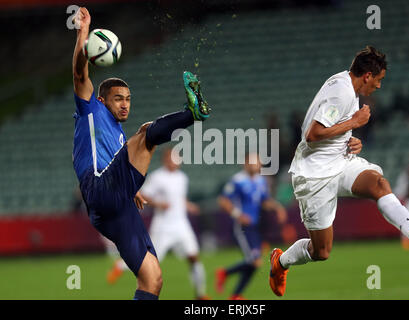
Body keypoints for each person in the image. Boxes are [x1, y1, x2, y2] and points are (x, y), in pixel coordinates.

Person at [269, 46, 409, 297]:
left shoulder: (348, 88)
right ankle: (280, 262)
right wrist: (354, 122)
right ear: (367, 76)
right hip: (314, 176)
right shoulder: (342, 92)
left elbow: (331, 129)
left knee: (379, 184)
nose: (379, 86)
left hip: (340, 162)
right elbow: (313, 135)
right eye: (379, 80)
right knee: (322, 252)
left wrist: (351, 140)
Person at [71, 7, 210, 300]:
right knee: (147, 132)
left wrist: (131, 190)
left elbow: (116, 163)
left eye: (128, 100)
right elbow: (79, 72)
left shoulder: (120, 136)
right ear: (101, 100)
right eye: (118, 99)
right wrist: (84, 34)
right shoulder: (90, 111)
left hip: (115, 206)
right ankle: (192, 114)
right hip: (99, 190)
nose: (125, 105)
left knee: (153, 280)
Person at [107, 148, 209, 300]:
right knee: (150, 262)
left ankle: (200, 295)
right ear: (165, 159)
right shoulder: (157, 177)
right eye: (171, 158)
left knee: (194, 257)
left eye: (176, 158)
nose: (174, 161)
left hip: (182, 225)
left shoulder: (182, 177)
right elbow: (144, 195)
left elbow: (179, 198)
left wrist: (189, 205)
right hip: (163, 227)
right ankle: (120, 266)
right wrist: (158, 204)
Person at [216, 153, 287, 300]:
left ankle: (234, 292)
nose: (255, 164)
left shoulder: (261, 181)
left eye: (257, 161)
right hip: (242, 227)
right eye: (252, 161)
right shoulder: (238, 180)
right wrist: (238, 214)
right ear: (245, 163)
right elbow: (223, 200)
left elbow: (264, 201)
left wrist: (277, 208)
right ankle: (228, 279)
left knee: (254, 262)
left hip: (255, 227)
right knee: (255, 261)